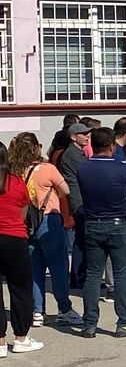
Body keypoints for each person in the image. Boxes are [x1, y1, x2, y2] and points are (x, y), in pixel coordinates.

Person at [77, 128, 126, 338]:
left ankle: (89, 323)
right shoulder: (121, 167)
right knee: (122, 275)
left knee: (92, 275)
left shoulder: (83, 168)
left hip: (93, 223)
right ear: (111, 146)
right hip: (119, 224)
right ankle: (124, 322)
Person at [10, 133, 76, 327]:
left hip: (26, 222)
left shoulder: (15, 170)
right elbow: (66, 190)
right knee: (58, 266)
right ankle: (64, 309)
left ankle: (37, 311)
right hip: (48, 218)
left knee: (34, 268)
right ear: (36, 147)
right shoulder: (47, 169)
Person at [0, 141, 43, 355]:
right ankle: (21, 338)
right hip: (14, 238)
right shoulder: (16, 182)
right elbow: (23, 213)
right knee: (21, 288)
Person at [59, 123, 92, 288]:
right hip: (79, 200)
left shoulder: (78, 152)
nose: (87, 136)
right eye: (83, 134)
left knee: (81, 238)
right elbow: (87, 171)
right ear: (73, 137)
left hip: (80, 199)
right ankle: (79, 276)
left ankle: (79, 276)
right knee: (82, 240)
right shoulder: (72, 154)